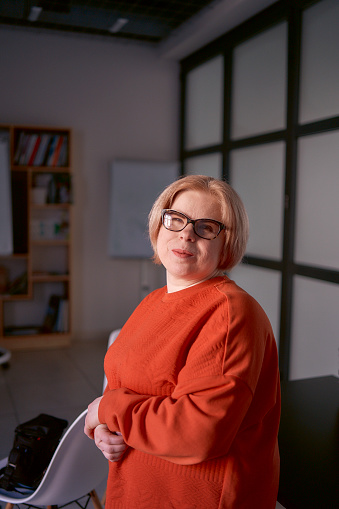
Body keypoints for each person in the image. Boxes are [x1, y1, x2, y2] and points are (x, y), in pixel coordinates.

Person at [84, 175, 280, 509]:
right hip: (136, 486)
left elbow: (196, 432)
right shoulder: (154, 300)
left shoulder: (231, 312)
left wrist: (106, 408)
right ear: (159, 226)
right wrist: (106, 426)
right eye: (176, 219)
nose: (186, 233)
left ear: (227, 245)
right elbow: (128, 386)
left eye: (206, 227)